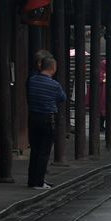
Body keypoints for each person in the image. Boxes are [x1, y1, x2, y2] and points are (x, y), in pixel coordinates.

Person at [26, 51, 67, 189]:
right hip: (47, 118)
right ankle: (39, 181)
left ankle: (32, 180)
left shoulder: (32, 80)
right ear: (53, 68)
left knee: (35, 150)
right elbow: (62, 98)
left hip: (33, 117)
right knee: (44, 151)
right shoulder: (54, 85)